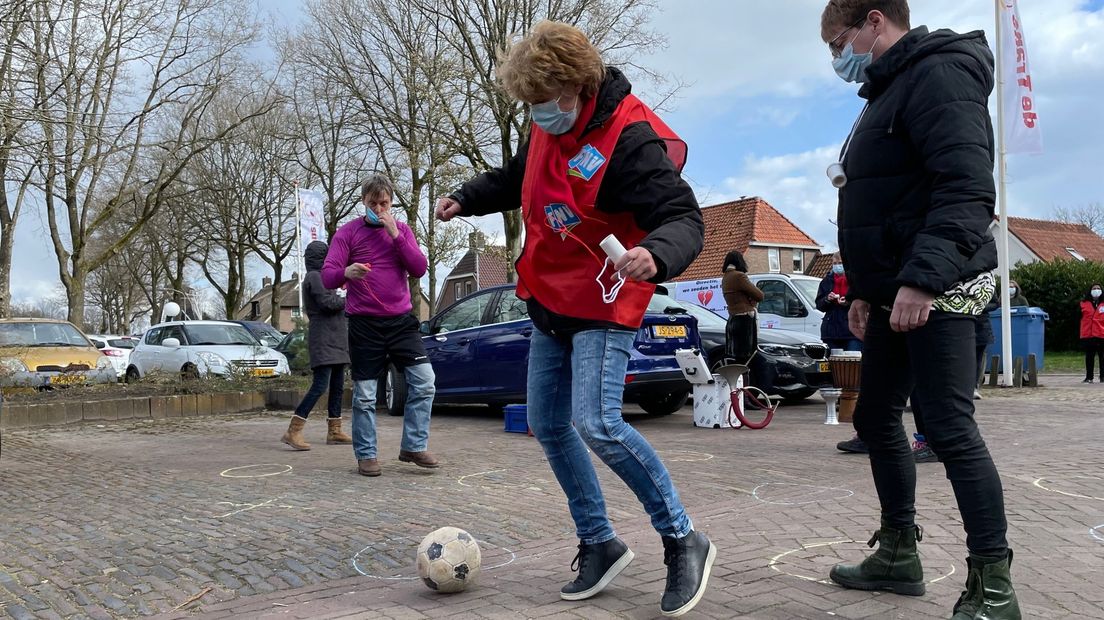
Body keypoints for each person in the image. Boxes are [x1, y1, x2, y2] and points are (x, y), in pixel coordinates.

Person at [435, 21, 713, 617]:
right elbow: (517, 176)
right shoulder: (544, 122)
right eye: (528, 105)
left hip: (605, 301)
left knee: (598, 423)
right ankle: (599, 542)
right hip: (549, 297)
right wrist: (469, 196)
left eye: (542, 103)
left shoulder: (630, 139)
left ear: (575, 88)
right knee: (548, 422)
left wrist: (656, 253)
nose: (536, 115)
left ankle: (682, 536)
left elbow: (685, 217)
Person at [820, 2, 1020, 618]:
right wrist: (861, 289)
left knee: (947, 425)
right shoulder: (886, 91)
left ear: (874, 22)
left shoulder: (941, 74)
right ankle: (899, 552)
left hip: (941, 288)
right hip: (891, 291)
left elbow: (965, 189)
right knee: (876, 416)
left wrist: (921, 281)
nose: (837, 58)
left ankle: (993, 585)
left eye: (839, 41)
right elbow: (884, 201)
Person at [322, 174, 437, 478]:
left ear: (391, 201)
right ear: (364, 202)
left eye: (384, 202)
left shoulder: (401, 230)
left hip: (401, 322)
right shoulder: (348, 233)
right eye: (373, 203)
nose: (379, 207)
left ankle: (413, 446)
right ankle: (367, 454)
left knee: (425, 381)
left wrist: (396, 236)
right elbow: (328, 276)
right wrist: (347, 270)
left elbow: (419, 268)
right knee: (364, 395)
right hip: (364, 324)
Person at [281, 240, 352, 450]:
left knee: (338, 386)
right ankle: (293, 430)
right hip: (324, 338)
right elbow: (327, 303)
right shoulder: (314, 276)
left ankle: (335, 430)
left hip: (337, 338)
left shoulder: (325, 276)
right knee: (320, 385)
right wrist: (350, 300)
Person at [720, 250, 763, 365]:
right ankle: (746, 381)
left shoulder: (725, 278)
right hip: (745, 320)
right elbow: (759, 295)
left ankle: (737, 381)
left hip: (732, 319)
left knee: (736, 358)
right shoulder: (739, 276)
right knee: (747, 358)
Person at [816, 254, 862, 352]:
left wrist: (848, 302)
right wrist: (827, 299)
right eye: (834, 263)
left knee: (853, 364)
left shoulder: (854, 280)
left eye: (840, 263)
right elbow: (819, 305)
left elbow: (862, 301)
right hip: (831, 332)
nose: (837, 266)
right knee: (834, 364)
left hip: (851, 331)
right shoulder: (826, 281)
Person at [1079, 284, 1104, 383]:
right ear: (1090, 291)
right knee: (1089, 357)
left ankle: (1103, 377)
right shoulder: (1083, 303)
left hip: (1102, 333)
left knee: (1102, 357)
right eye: (1094, 288)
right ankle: (1089, 377)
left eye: (1098, 288)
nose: (1096, 290)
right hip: (1088, 334)